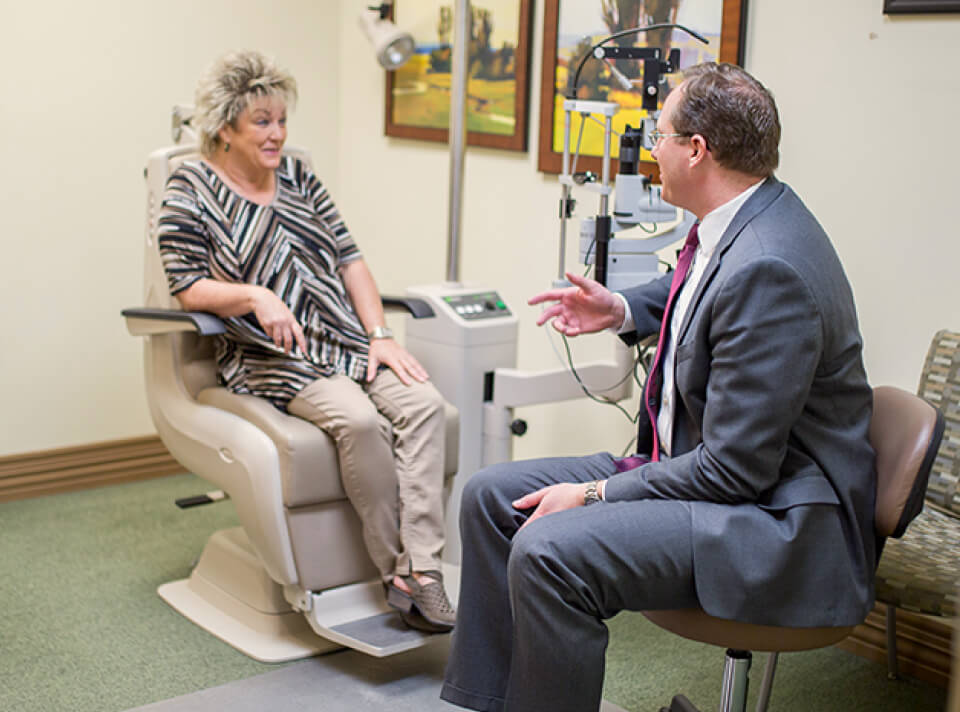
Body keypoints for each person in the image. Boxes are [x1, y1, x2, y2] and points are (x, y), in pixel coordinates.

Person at [440, 62, 876, 711]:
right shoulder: (742, 219)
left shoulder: (773, 266)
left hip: (771, 523)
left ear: (696, 151)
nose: (652, 149)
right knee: (489, 498)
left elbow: (734, 471)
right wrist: (619, 308)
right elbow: (702, 295)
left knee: (548, 550)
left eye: (659, 134)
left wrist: (593, 493)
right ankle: (487, 701)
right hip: (700, 473)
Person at [158, 50, 454, 633]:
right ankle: (398, 571)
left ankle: (426, 572)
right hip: (271, 357)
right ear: (225, 128)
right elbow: (188, 288)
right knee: (359, 421)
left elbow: (351, 261)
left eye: (282, 120)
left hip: (344, 340)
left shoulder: (298, 177)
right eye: (262, 122)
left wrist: (380, 336)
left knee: (424, 406)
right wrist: (255, 296)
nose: (278, 134)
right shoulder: (188, 187)